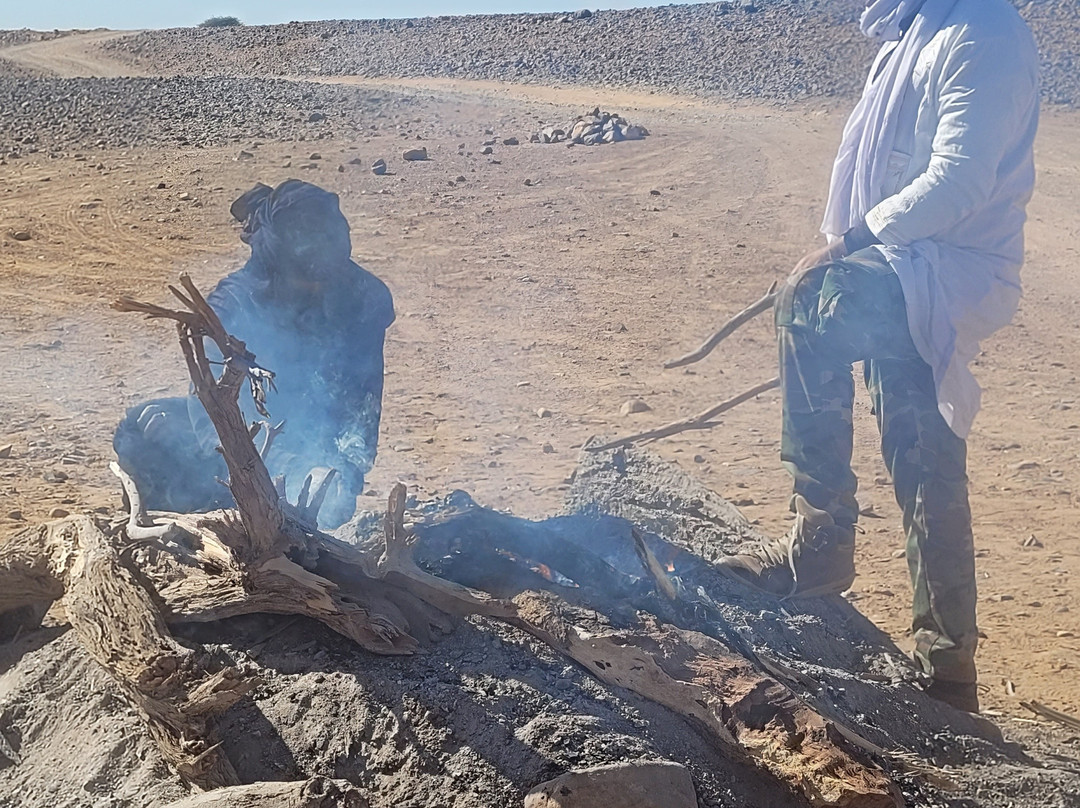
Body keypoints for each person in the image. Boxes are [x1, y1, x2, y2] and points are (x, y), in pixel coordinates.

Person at [717, 0, 1040, 713]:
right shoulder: (913, 34)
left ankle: (823, 543)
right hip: (903, 265)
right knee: (923, 446)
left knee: (814, 308)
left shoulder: (982, 35)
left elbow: (959, 179)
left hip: (947, 269)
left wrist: (848, 243)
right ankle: (949, 667)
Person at [114, 179, 395, 529]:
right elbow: (211, 409)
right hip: (244, 441)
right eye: (307, 282)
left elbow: (363, 402)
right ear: (280, 265)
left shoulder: (361, 298)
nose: (318, 289)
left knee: (318, 509)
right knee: (144, 427)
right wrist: (277, 462)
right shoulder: (235, 303)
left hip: (318, 443)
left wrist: (345, 472)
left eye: (327, 279)